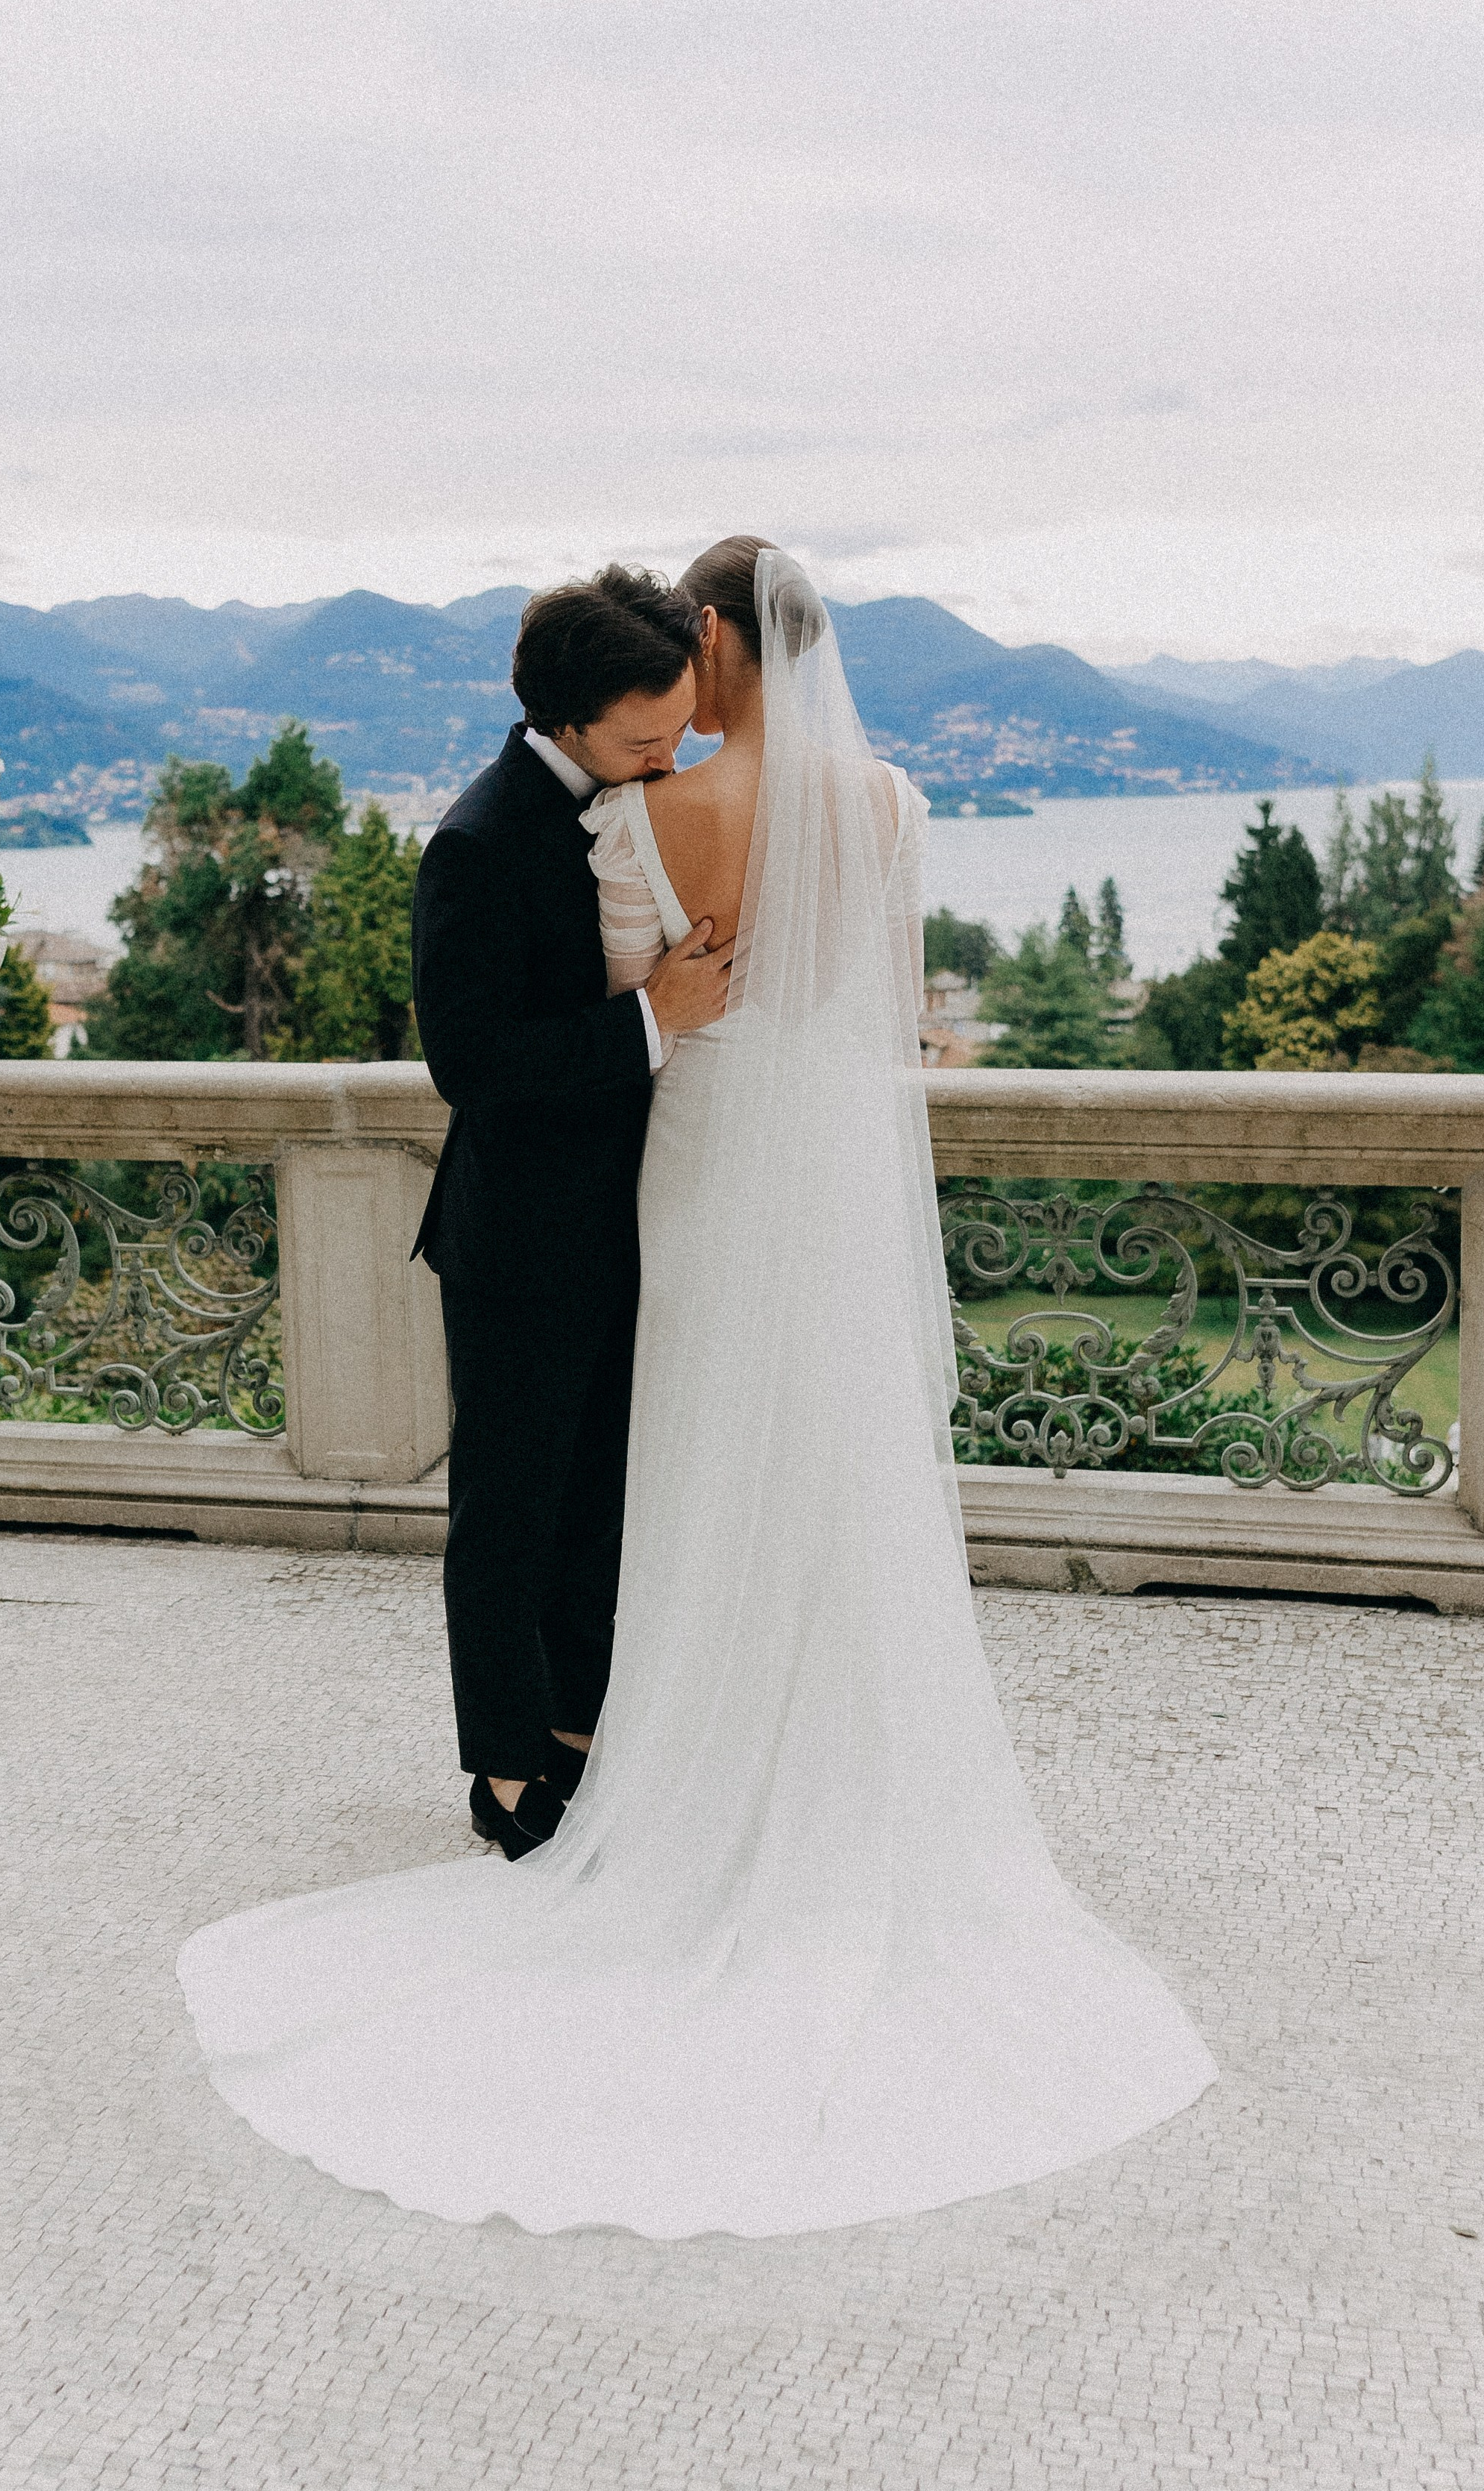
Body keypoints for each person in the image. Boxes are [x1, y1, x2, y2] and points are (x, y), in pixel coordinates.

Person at [178, 542, 1216, 2240]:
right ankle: (545, 1762)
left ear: (714, 646)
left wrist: (667, 1009)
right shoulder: (873, 802)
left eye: (683, 668)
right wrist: (677, 1015)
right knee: (709, 1471)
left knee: (653, 1474)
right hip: (769, 1180)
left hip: (690, 1173)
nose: (667, 715)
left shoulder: (636, 820)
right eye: (641, 707)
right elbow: (657, 1024)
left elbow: (644, 995)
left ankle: (623, 1745)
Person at [406, 567, 731, 1856]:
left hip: (627, 1224)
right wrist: (653, 1019)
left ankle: (582, 1733)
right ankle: (501, 1776)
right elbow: (472, 1066)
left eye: (682, 732)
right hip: (518, 1240)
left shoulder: (637, 803)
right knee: (510, 1510)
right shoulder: (478, 843)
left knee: (599, 1497)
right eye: (647, 739)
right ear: (566, 718)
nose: (669, 760)